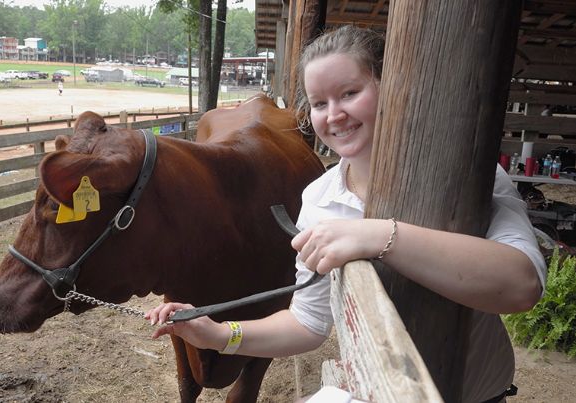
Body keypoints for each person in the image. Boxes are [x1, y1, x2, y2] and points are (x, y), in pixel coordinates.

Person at [145, 26, 546, 403]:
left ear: (390, 88)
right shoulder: (319, 199)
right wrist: (217, 334)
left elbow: (521, 285)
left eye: (350, 93)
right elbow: (308, 323)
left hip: (476, 392)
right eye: (320, 103)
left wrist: (377, 237)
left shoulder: (473, 176)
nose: (333, 115)